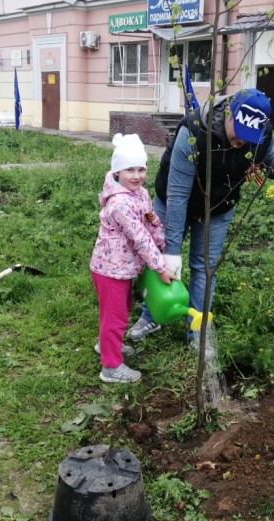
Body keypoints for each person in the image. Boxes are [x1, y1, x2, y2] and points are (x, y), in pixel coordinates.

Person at [129, 88, 274, 347]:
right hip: (175, 200)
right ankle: (151, 316)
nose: (241, 142)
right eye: (238, 133)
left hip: (218, 207)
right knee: (160, 258)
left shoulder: (260, 133)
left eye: (248, 137)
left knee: (204, 266)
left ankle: (197, 330)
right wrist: (172, 250)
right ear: (228, 112)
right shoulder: (194, 131)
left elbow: (266, 162)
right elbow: (178, 195)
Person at [91, 133, 174, 384]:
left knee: (119, 312)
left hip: (124, 269)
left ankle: (107, 346)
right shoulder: (119, 204)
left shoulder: (141, 194)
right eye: (129, 170)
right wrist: (160, 266)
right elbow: (139, 237)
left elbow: (150, 221)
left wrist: (162, 242)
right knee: (115, 316)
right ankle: (111, 367)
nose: (136, 175)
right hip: (110, 270)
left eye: (141, 169)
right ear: (116, 172)